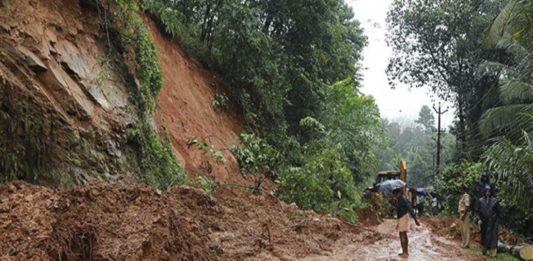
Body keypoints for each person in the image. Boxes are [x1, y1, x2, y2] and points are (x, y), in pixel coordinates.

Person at [393, 188, 421, 258]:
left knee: (402, 234)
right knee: (403, 234)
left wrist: (415, 219)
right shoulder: (401, 200)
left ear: (399, 193)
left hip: (403, 217)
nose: (395, 196)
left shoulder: (403, 200)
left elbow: (410, 209)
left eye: (396, 194)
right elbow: (399, 208)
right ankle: (405, 252)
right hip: (402, 218)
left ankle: (405, 253)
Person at [477, 185, 499, 257]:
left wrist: (496, 221)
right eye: (486, 191)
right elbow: (478, 211)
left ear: (491, 192)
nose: (487, 193)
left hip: (493, 222)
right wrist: (479, 219)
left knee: (493, 237)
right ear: (484, 192)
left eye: (489, 191)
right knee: (484, 236)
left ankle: (493, 253)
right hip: (484, 221)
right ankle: (484, 250)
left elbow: (498, 212)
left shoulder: (495, 201)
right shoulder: (480, 200)